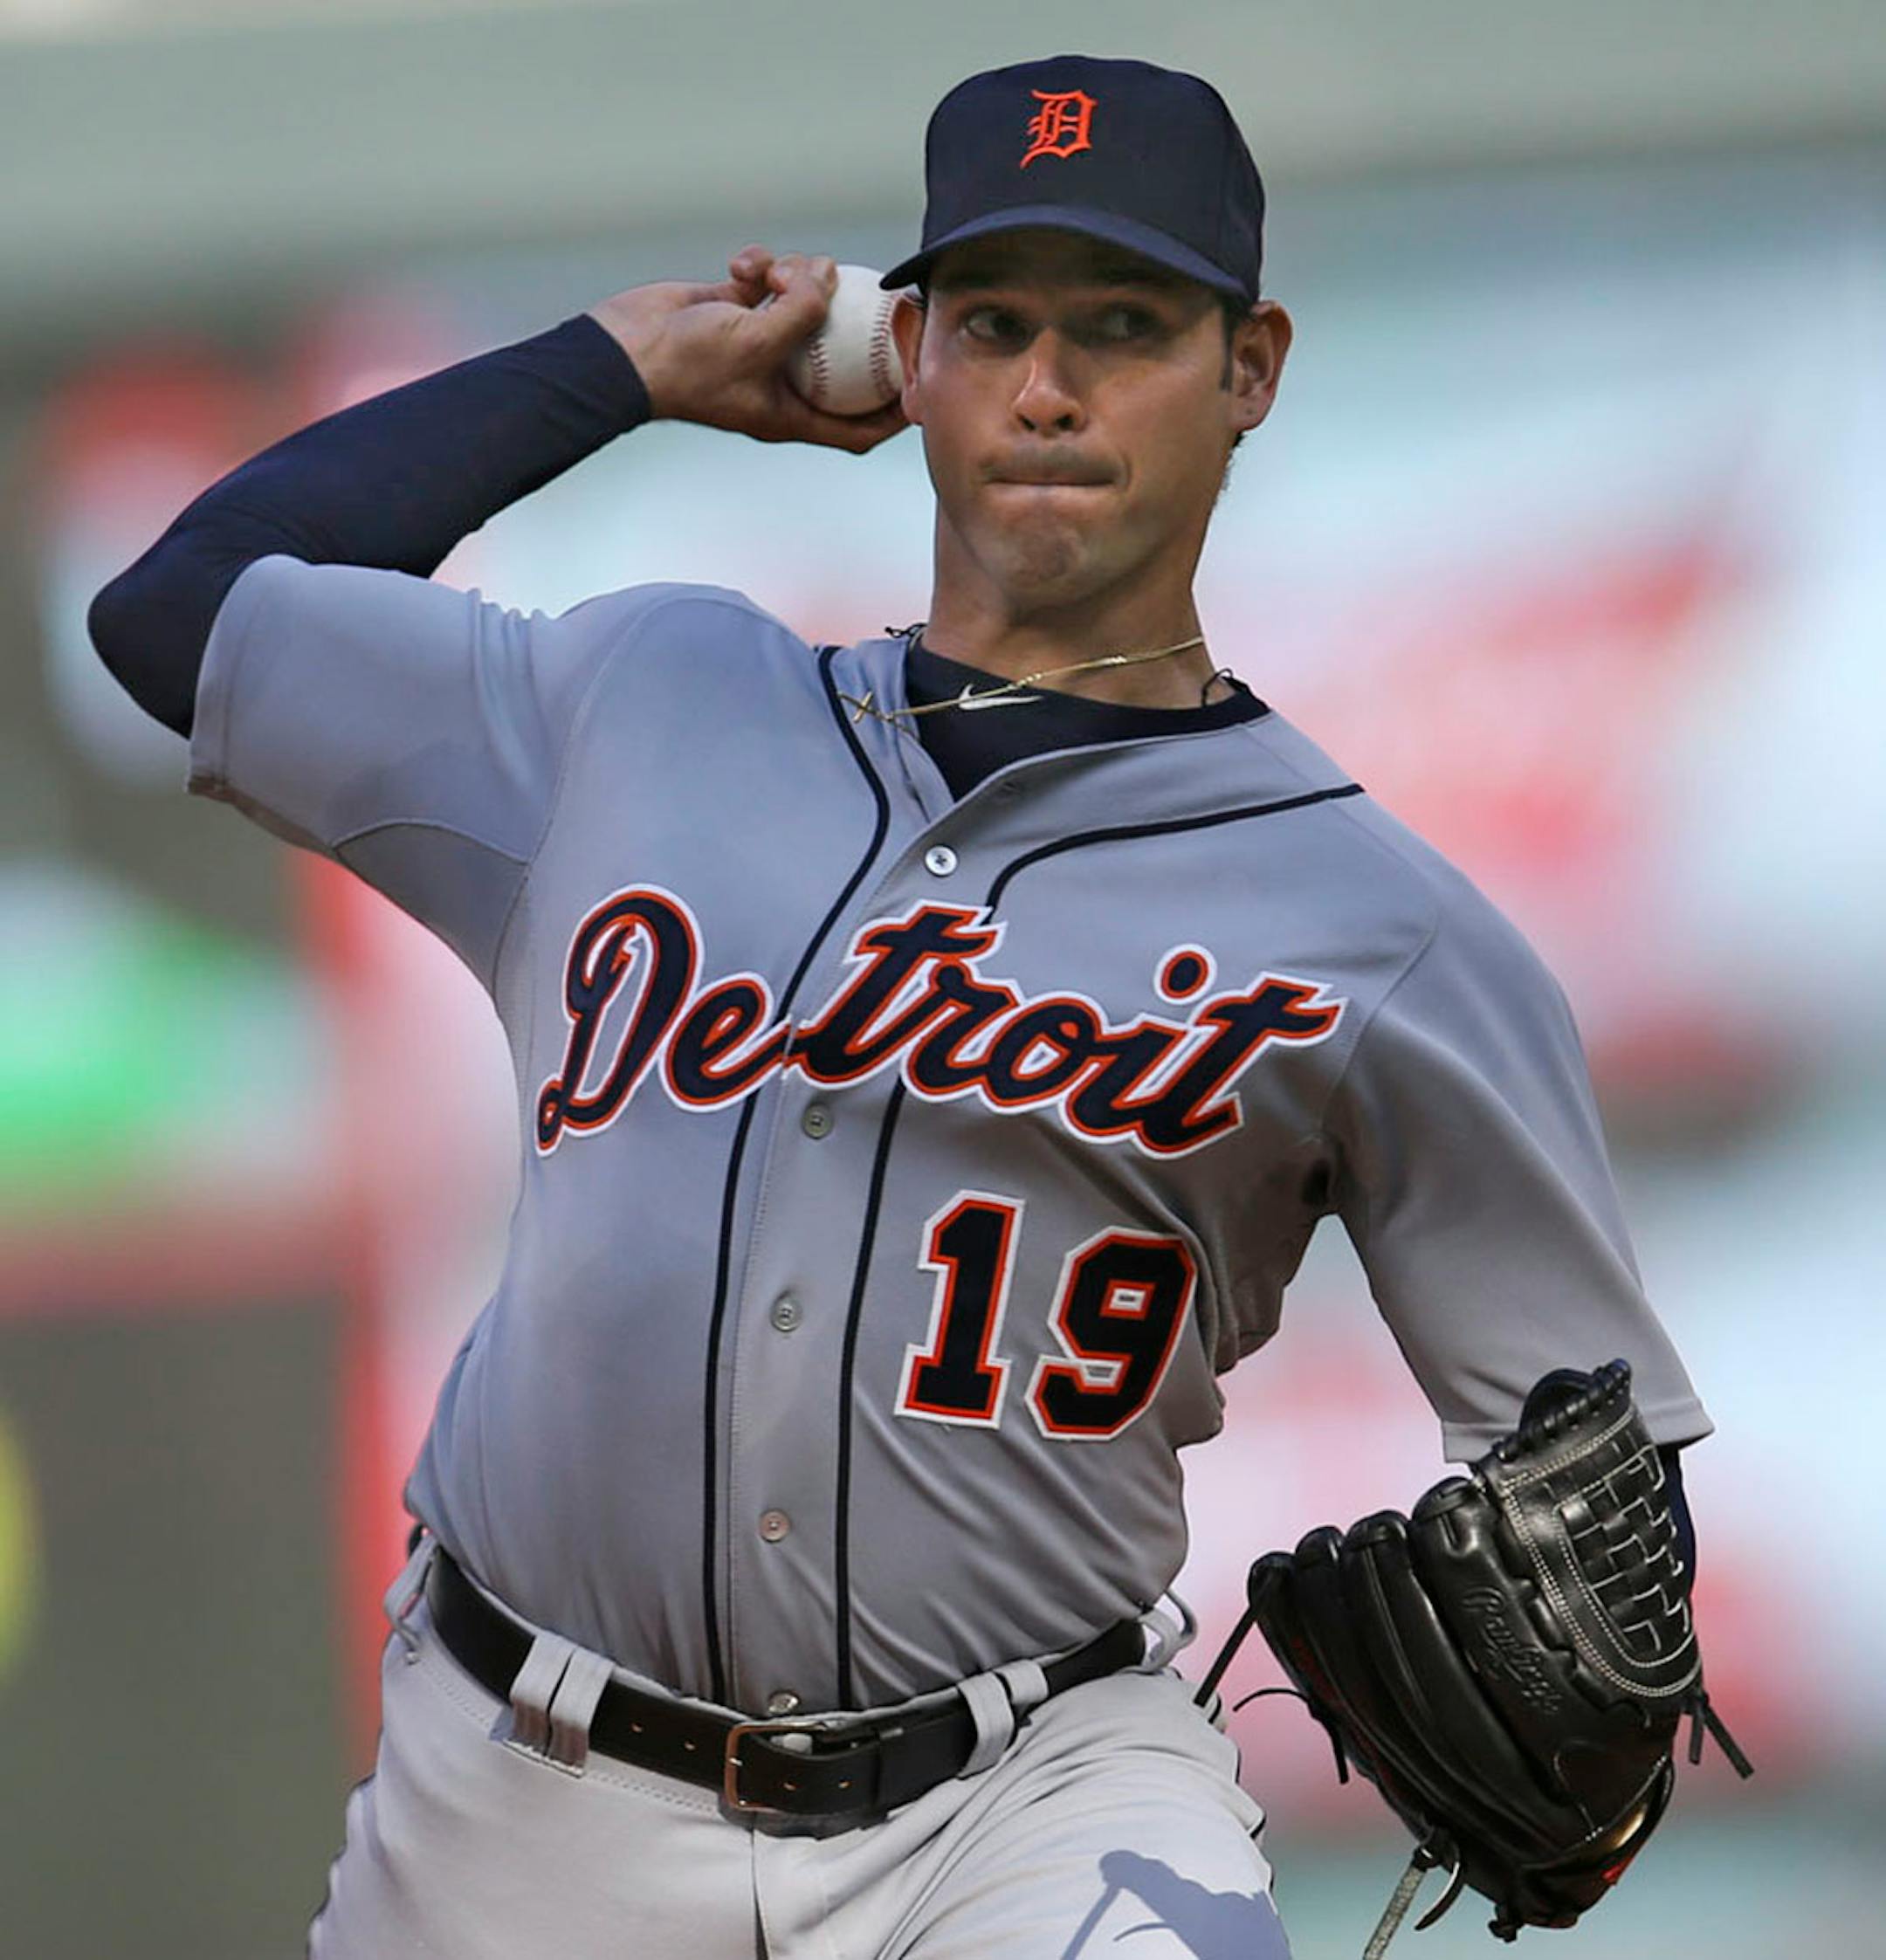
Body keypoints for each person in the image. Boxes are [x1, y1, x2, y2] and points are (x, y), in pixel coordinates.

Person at [87, 53, 1711, 1960]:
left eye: (1123, 328)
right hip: (520, 1790)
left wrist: (1599, 1670)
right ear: (907, 347)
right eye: (997, 322)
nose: (1048, 386)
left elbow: (1597, 1487)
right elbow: (177, 617)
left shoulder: (1391, 933)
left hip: (1030, 1804)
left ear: (1250, 366)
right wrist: (621, 364)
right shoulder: (640, 699)